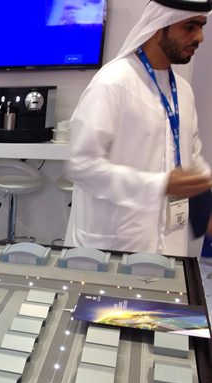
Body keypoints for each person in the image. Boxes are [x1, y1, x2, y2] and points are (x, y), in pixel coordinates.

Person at [64, 0, 212, 257]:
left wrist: (206, 200)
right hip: (113, 247)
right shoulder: (113, 83)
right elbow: (81, 165)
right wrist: (160, 185)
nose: (199, 37)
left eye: (201, 26)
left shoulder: (183, 91)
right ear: (158, 27)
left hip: (170, 246)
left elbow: (192, 155)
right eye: (189, 27)